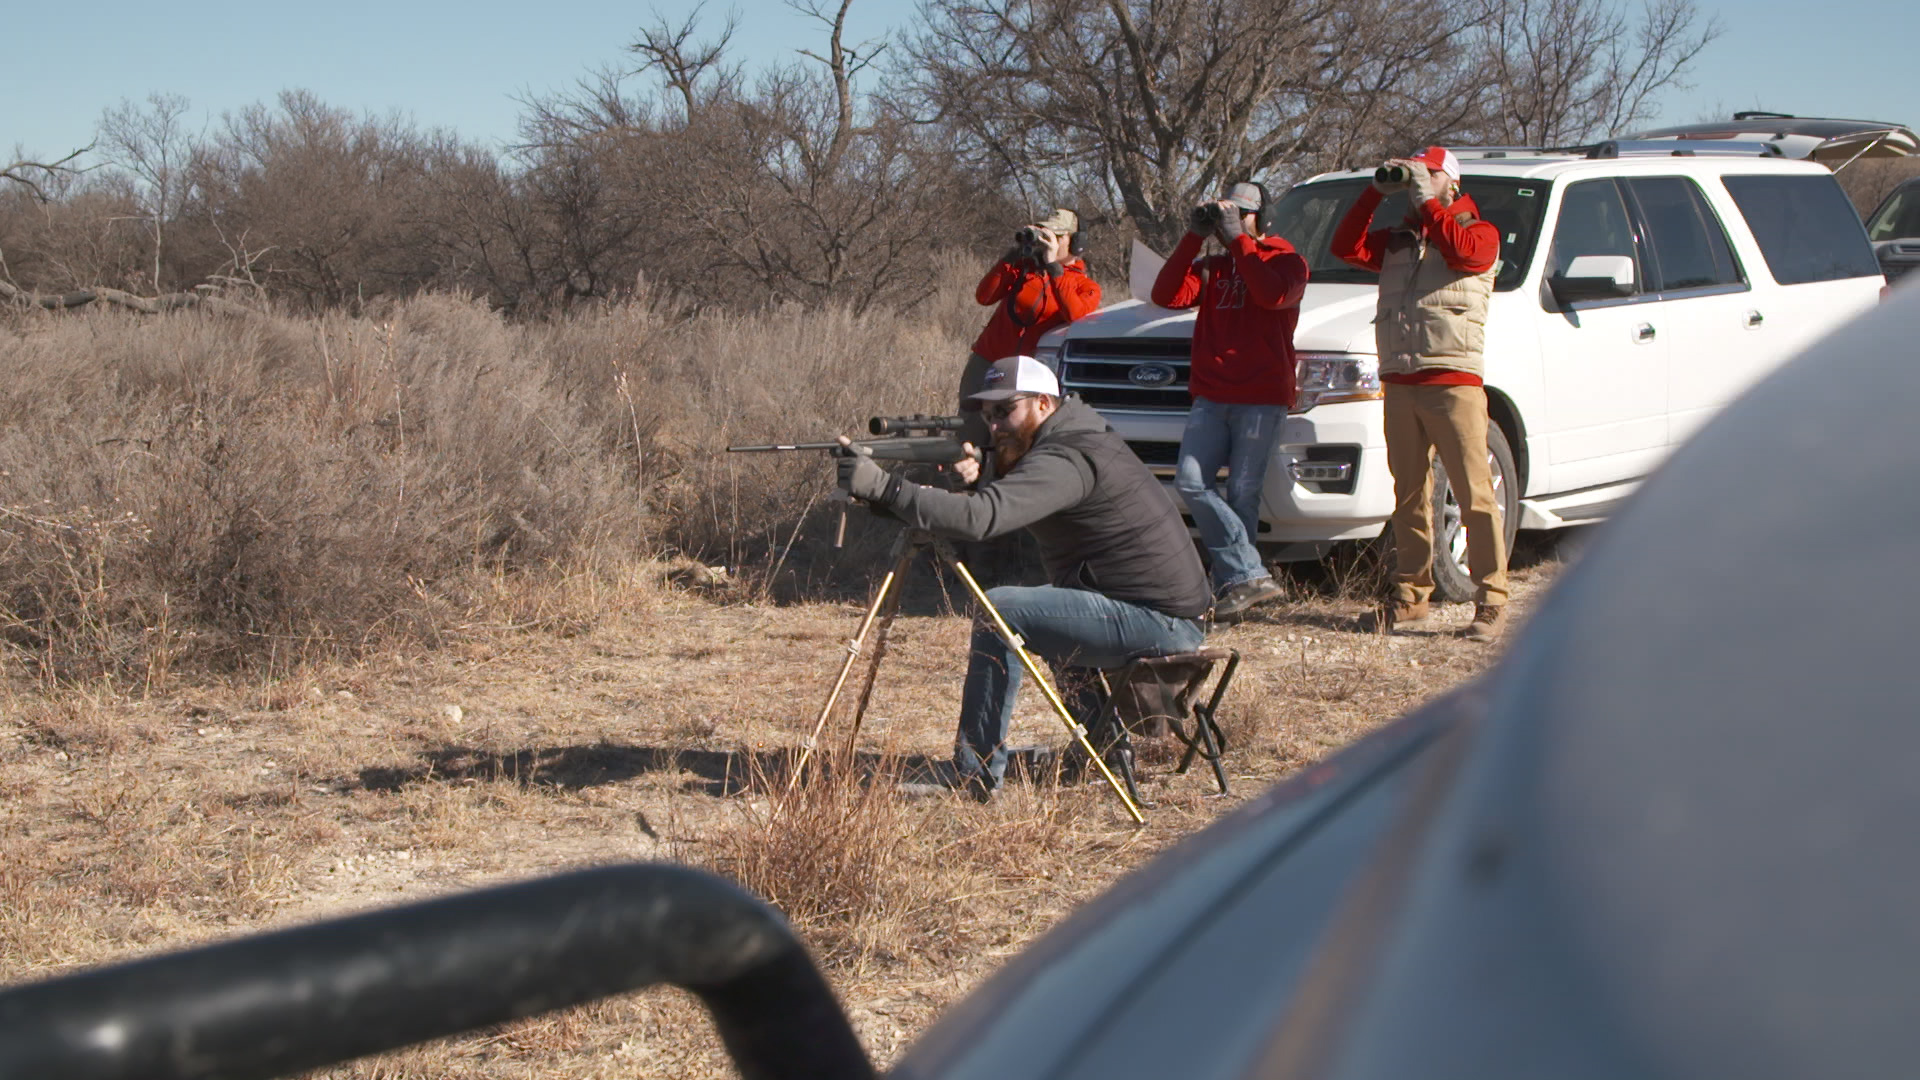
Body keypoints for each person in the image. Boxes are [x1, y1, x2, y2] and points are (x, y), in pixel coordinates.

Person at [839, 355, 1211, 800]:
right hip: (1153, 611)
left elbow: (983, 519)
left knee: (1005, 609)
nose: (994, 425)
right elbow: (995, 501)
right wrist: (970, 482)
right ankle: (1105, 749)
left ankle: (975, 775)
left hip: (1161, 622)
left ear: (1042, 404)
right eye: (987, 414)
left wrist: (889, 488)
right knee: (1050, 607)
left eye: (1005, 411)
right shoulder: (1069, 440)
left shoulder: (1067, 456)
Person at [1330, 146, 1508, 641]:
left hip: (1453, 379)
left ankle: (1491, 599)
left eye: (1428, 176)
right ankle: (1411, 596)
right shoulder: (1399, 239)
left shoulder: (1480, 232)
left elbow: (1466, 255)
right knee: (1408, 495)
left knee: (1474, 495)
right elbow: (1345, 247)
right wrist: (1372, 193)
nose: (1417, 184)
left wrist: (1430, 203)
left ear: (1450, 183)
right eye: (1414, 177)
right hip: (1401, 380)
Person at [1151, 182, 1310, 622]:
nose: (1229, 222)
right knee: (1190, 482)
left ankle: (1235, 591)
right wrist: (1192, 237)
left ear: (1260, 217)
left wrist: (1239, 239)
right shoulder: (1213, 266)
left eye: (1240, 213)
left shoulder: (1288, 261)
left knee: (1243, 493)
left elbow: (1272, 295)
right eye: (1226, 214)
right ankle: (1250, 576)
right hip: (1211, 393)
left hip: (1261, 395)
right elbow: (1165, 295)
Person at [959, 210, 1102, 455]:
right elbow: (984, 296)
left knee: (1013, 440)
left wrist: (1053, 268)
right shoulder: (1023, 270)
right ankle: (960, 486)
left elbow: (1074, 314)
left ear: (1075, 242)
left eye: (1056, 235)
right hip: (988, 360)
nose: (1047, 240)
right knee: (970, 433)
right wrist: (1012, 256)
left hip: (1027, 374)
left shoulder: (1084, 286)